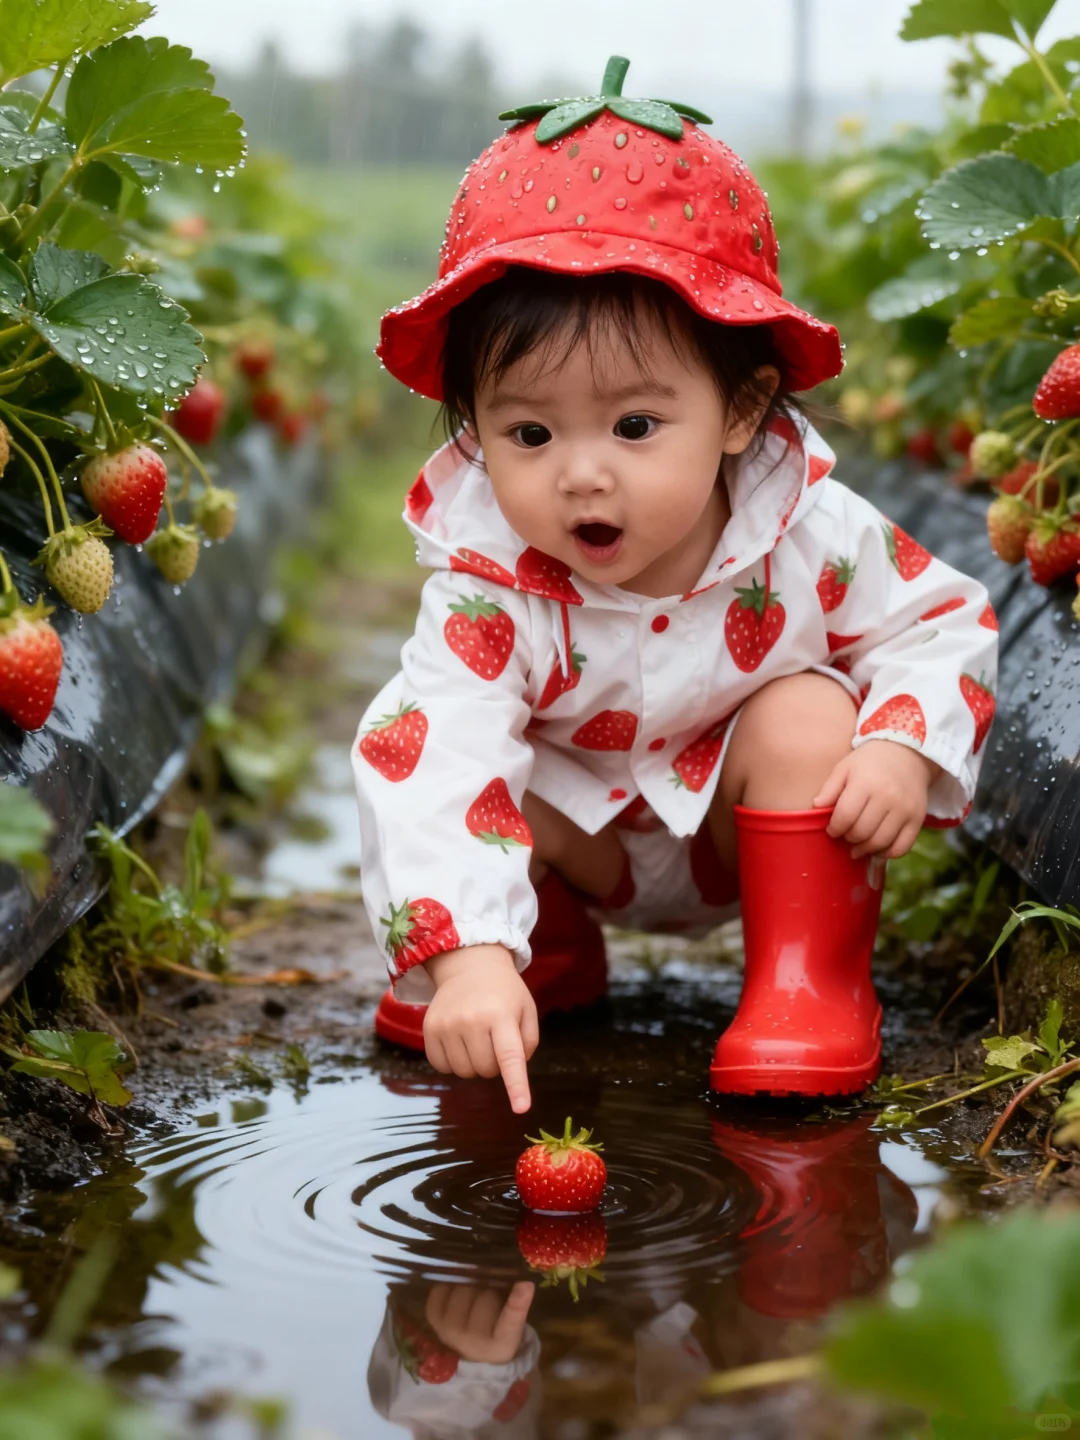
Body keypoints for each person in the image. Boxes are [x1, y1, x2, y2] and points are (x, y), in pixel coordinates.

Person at [352, 55, 998, 1113]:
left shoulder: (807, 532)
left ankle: (808, 985)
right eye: (529, 431)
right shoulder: (490, 587)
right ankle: (529, 960)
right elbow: (438, 761)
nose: (583, 471)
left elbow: (943, 620)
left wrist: (900, 741)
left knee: (803, 707)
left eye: (637, 425)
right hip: (583, 851)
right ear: (474, 426)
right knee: (435, 739)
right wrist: (464, 955)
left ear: (741, 413)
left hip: (745, 841)